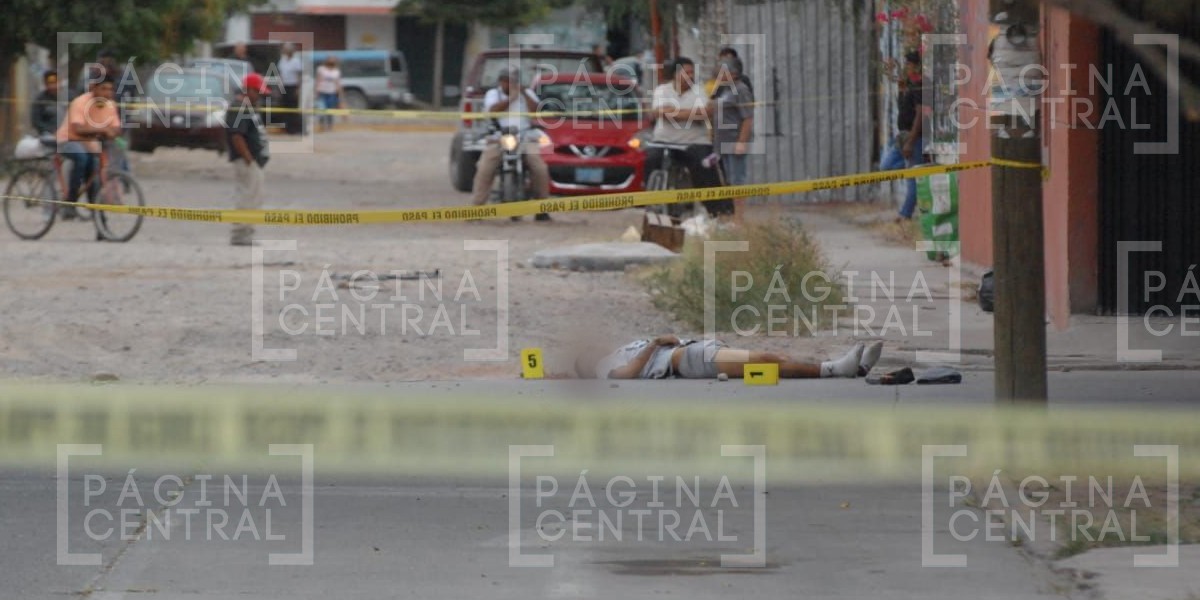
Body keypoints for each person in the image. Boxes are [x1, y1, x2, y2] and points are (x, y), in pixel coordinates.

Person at [646, 57, 731, 218]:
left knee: (705, 167)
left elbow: (704, 114)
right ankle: (650, 204)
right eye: (687, 72)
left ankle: (717, 212)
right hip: (663, 142)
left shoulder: (699, 91)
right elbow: (658, 113)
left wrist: (674, 112)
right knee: (650, 159)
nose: (691, 75)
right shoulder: (662, 90)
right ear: (676, 74)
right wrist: (690, 113)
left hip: (694, 142)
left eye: (692, 72)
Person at [574, 337, 884, 380]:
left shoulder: (611, 353)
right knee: (764, 359)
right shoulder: (603, 369)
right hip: (685, 359)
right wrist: (655, 343)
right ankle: (835, 369)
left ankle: (854, 368)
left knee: (771, 358)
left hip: (692, 350)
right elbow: (627, 375)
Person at [468, 69, 551, 221]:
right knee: (485, 167)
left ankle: (542, 209)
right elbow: (492, 110)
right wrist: (511, 99)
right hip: (500, 137)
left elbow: (537, 111)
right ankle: (476, 208)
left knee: (539, 167)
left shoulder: (527, 94)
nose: (509, 84)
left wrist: (524, 93)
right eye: (506, 81)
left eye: (513, 81)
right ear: (501, 82)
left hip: (525, 137)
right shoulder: (493, 94)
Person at [56, 73, 122, 222]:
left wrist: (113, 132)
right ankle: (70, 202)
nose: (107, 93)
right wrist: (103, 130)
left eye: (110, 90)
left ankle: (99, 221)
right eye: (103, 89)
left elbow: (116, 128)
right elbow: (78, 129)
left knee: (94, 173)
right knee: (81, 158)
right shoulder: (80, 102)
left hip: (90, 143)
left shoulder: (110, 105)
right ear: (93, 88)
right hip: (68, 140)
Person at [880, 51, 926, 221]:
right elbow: (893, 77)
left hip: (914, 138)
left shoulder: (919, 85)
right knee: (886, 167)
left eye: (908, 64)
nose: (905, 67)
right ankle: (914, 166)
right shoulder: (906, 85)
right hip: (902, 136)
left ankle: (905, 215)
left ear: (915, 66)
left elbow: (920, 115)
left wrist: (911, 142)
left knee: (912, 181)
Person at [226, 73, 271, 247]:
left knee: (254, 197)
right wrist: (248, 159)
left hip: (255, 161)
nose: (260, 96)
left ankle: (248, 231)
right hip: (246, 161)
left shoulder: (250, 107)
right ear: (248, 90)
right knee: (246, 197)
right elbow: (236, 136)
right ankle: (240, 233)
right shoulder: (239, 107)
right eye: (257, 92)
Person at [710, 58, 755, 221]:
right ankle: (734, 216)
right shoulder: (723, 90)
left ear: (734, 74)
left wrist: (741, 142)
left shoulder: (741, 90)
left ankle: (740, 219)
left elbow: (748, 118)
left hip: (734, 141)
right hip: (722, 143)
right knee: (729, 181)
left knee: (737, 181)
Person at [277, 44, 304, 135]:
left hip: (293, 86)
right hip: (284, 86)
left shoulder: (296, 61)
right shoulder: (282, 61)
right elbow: (280, 74)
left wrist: (298, 88)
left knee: (294, 108)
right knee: (285, 107)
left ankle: (297, 128)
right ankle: (288, 128)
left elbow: (299, 75)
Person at [315, 56, 343, 132]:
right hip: (322, 92)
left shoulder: (336, 72)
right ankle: (322, 125)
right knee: (321, 110)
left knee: (330, 110)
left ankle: (330, 126)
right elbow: (318, 80)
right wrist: (316, 91)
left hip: (331, 93)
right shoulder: (321, 69)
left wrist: (339, 94)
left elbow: (338, 83)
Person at [32, 71, 64, 136]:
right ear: (46, 85)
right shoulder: (40, 99)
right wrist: (51, 131)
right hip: (49, 135)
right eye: (50, 83)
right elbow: (36, 121)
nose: (54, 86)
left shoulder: (67, 96)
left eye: (56, 83)